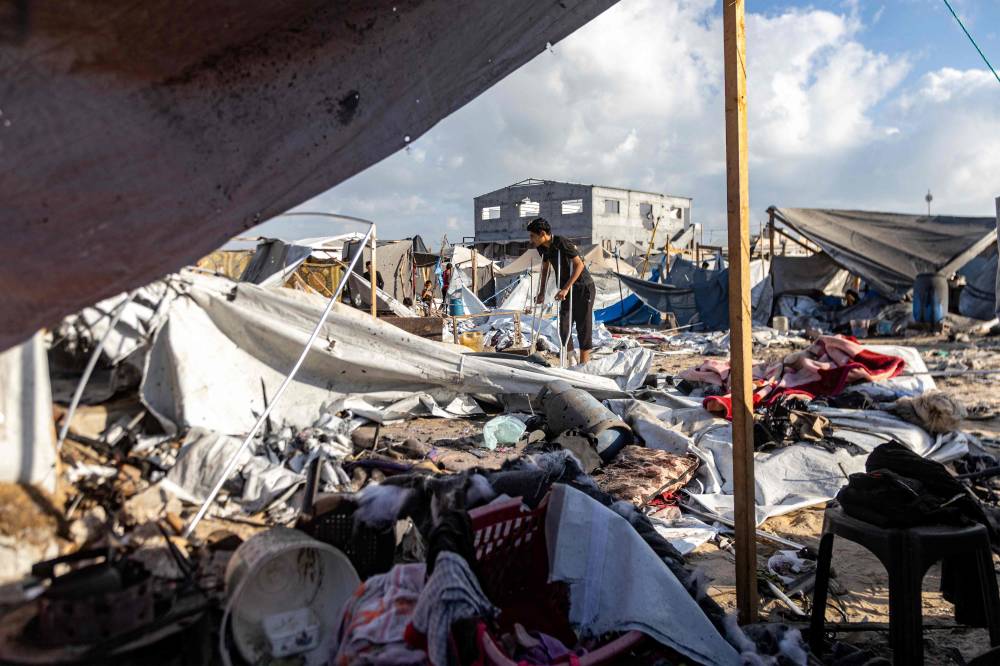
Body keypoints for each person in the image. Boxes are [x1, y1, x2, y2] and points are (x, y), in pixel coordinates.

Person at [527, 217, 595, 364]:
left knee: (584, 327)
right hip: (565, 290)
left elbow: (579, 266)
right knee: (564, 326)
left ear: (542, 233)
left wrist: (565, 288)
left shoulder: (562, 242)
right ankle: (571, 359)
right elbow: (545, 268)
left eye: (532, 235)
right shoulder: (542, 248)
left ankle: (585, 365)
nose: (531, 239)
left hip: (583, 287)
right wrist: (542, 292)